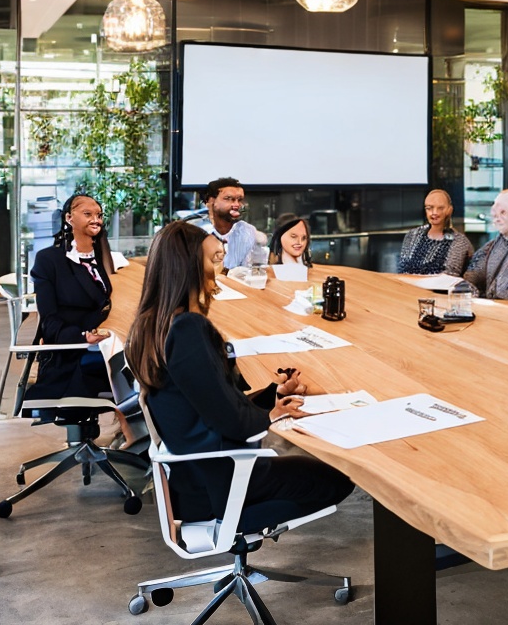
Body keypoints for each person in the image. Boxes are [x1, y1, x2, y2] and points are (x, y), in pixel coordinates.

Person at [125, 221, 354, 528]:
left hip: (197, 476)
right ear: (188, 267)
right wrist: (271, 415)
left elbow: (211, 401)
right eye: (213, 259)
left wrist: (275, 394)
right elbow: (233, 422)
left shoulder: (151, 325)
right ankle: (237, 524)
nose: (220, 267)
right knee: (338, 480)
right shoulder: (188, 330)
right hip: (223, 484)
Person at [26, 193, 135, 447]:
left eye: (98, 215)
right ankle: (134, 432)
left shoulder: (106, 260)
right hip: (71, 353)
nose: (95, 219)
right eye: (87, 214)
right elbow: (49, 322)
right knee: (133, 365)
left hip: (104, 344)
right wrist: (83, 337)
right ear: (68, 218)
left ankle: (143, 432)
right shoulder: (49, 260)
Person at [397, 189, 473, 276]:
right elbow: (402, 271)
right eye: (429, 208)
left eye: (440, 208)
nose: (435, 213)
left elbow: (450, 276)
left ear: (449, 210)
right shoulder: (412, 236)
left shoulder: (459, 242)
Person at [199, 177, 260, 271]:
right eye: (228, 199)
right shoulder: (196, 230)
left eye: (240, 200)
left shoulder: (247, 231)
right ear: (211, 201)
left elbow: (248, 272)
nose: (236, 205)